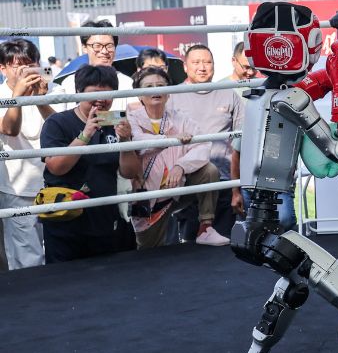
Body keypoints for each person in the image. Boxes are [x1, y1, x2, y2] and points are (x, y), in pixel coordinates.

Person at [38, 65, 138, 263]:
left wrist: (126, 141)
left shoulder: (116, 122)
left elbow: (130, 172)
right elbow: (57, 167)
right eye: (94, 92)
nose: (101, 99)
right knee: (65, 281)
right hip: (65, 217)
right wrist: (86, 134)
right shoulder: (57, 122)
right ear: (78, 92)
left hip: (105, 216)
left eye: (108, 92)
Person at [127, 66, 229, 248]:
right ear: (139, 95)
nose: (156, 90)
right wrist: (170, 139)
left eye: (160, 85)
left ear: (169, 93)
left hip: (177, 188)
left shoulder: (181, 118)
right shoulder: (132, 118)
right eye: (149, 86)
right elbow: (138, 141)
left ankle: (205, 228)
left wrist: (181, 166)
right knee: (147, 251)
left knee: (209, 170)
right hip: (148, 197)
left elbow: (203, 145)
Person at [169, 44, 245, 236]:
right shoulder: (172, 96)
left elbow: (240, 143)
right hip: (189, 185)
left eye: (207, 62)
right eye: (196, 62)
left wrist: (237, 189)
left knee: (223, 251)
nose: (202, 67)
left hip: (224, 184)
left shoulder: (229, 94)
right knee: (190, 252)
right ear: (185, 66)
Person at [0, 39, 55, 269]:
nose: (24, 70)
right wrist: (18, 97)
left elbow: (58, 126)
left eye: (29, 63)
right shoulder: (2, 93)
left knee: (55, 251)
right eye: (16, 65)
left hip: (52, 185)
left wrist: (40, 99)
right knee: (26, 258)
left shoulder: (51, 88)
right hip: (16, 188)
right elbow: (9, 129)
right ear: (2, 68)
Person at [58, 20, 133, 109]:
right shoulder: (69, 83)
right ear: (84, 47)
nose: (104, 51)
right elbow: (58, 118)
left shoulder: (128, 84)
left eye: (109, 46)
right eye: (97, 46)